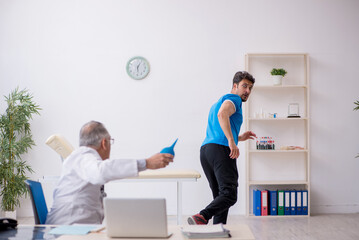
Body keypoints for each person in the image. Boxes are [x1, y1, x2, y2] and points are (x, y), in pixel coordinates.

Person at [45, 121, 174, 225]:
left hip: (73, 227)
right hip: (68, 230)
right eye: (110, 141)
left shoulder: (80, 158)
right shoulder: (84, 157)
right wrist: (146, 163)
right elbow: (100, 172)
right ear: (104, 143)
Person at [188, 71, 256, 225]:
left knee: (220, 197)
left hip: (207, 151)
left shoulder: (217, 103)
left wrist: (238, 138)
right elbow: (222, 115)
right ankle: (202, 216)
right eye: (244, 86)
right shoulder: (233, 99)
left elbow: (219, 128)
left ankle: (217, 231)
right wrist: (232, 141)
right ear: (235, 86)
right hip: (221, 150)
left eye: (250, 88)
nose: (247, 91)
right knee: (230, 194)